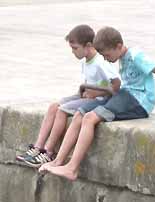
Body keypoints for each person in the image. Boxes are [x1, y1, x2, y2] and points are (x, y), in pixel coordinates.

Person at [39, 26, 155, 180]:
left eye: (107, 55)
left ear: (118, 46)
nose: (105, 59)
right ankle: (58, 161)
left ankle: (72, 168)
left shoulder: (136, 56)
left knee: (90, 118)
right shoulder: (121, 57)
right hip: (125, 95)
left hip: (138, 101)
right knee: (79, 114)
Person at [16, 25, 120, 167]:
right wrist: (82, 92)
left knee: (62, 110)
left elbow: (116, 85)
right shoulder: (86, 61)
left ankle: (48, 152)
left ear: (88, 45)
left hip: (98, 100)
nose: (72, 52)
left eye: (75, 48)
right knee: (54, 106)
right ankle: (38, 147)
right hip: (87, 95)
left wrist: (96, 92)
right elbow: (88, 83)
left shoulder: (100, 62)